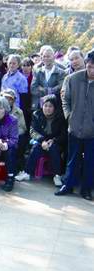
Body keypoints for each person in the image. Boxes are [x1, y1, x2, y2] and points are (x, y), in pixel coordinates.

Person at [56, 50, 94, 201]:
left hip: (92, 131)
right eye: (90, 66)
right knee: (72, 158)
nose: (92, 70)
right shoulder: (73, 78)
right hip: (74, 126)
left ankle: (86, 189)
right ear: (86, 63)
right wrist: (69, 116)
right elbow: (65, 99)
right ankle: (68, 185)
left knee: (90, 161)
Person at [15, 95, 67, 186]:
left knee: (54, 149)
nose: (47, 108)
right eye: (45, 106)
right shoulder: (36, 114)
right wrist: (42, 140)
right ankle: (26, 173)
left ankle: (57, 175)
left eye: (50, 106)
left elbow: (63, 134)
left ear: (54, 107)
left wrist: (53, 140)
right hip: (41, 141)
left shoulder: (60, 117)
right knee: (36, 148)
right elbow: (33, 131)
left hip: (54, 142)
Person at [30, 46, 65, 111]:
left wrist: (43, 89)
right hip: (40, 106)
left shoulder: (61, 72)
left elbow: (61, 88)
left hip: (55, 106)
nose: (46, 58)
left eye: (48, 56)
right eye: (44, 56)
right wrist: (51, 90)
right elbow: (33, 89)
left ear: (54, 57)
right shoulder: (37, 71)